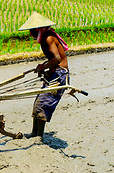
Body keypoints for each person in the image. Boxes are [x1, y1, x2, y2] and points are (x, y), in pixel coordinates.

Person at [18, 12, 69, 140]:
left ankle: (39, 137)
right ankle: (35, 133)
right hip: (54, 72)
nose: (30, 34)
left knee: (43, 103)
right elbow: (53, 58)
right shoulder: (46, 37)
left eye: (31, 30)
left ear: (36, 29)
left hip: (59, 74)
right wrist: (44, 65)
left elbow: (57, 59)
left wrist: (43, 67)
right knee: (38, 102)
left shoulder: (48, 38)